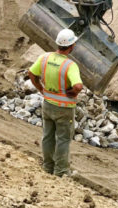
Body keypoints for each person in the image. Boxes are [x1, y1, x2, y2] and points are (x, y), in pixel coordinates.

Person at [28, 28, 83, 177]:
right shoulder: (70, 65)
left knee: (47, 136)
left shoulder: (44, 58)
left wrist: (41, 89)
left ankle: (47, 167)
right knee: (63, 140)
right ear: (72, 46)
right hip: (64, 108)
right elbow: (78, 86)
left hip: (47, 104)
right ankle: (61, 171)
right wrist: (74, 92)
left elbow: (31, 73)